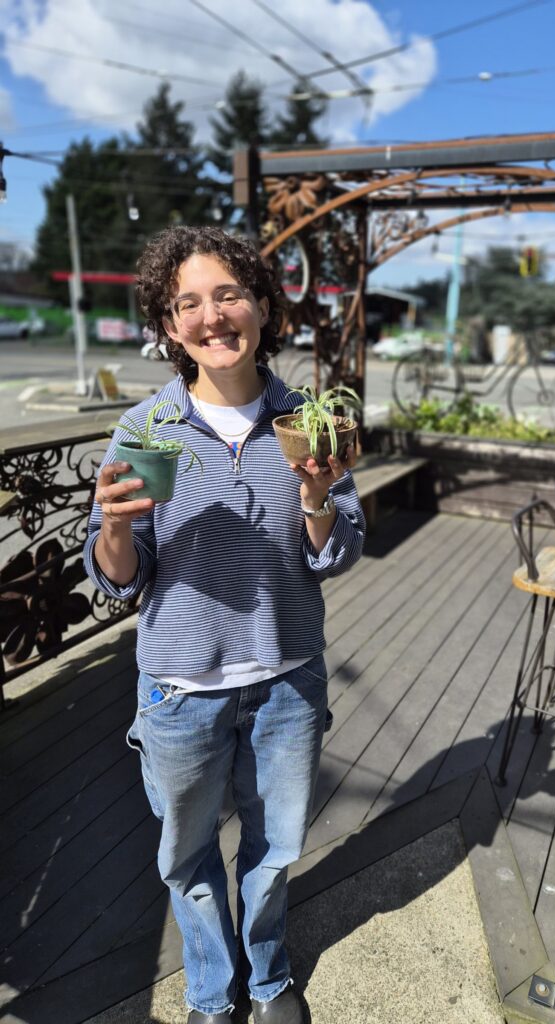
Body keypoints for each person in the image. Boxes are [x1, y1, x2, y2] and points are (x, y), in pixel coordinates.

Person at [84, 226, 365, 1024]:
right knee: (188, 855)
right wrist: (115, 524)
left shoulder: (306, 419)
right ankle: (213, 989)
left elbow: (339, 549)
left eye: (229, 295)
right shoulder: (146, 428)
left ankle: (268, 977)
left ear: (263, 308)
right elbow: (118, 577)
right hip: (179, 690)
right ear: (170, 326)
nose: (212, 316)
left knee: (275, 849)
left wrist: (316, 495)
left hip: (286, 682)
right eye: (189, 303)